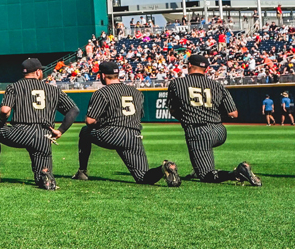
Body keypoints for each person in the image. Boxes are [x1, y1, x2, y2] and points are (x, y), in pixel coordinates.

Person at [74, 61, 179, 186]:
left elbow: (90, 121)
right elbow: (140, 115)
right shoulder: (136, 92)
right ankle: (163, 168)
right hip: (134, 136)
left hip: (112, 134)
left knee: (85, 131)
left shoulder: (102, 93)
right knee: (143, 177)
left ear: (102, 76)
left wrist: (103, 122)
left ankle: (82, 171)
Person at [0, 58, 80, 190]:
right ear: (38, 72)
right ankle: (45, 177)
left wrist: (1, 122)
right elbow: (74, 110)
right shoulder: (52, 89)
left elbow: (5, 110)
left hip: (20, 133)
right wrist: (60, 130)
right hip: (43, 136)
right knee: (43, 174)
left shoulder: (14, 87)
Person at [167, 54, 259, 185]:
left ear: (189, 66)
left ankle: (237, 172)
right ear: (206, 69)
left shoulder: (177, 83)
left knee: (206, 175)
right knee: (202, 152)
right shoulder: (217, 85)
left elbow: (173, 110)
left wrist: (186, 117)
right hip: (220, 132)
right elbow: (233, 113)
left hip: (198, 131)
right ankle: (197, 165)